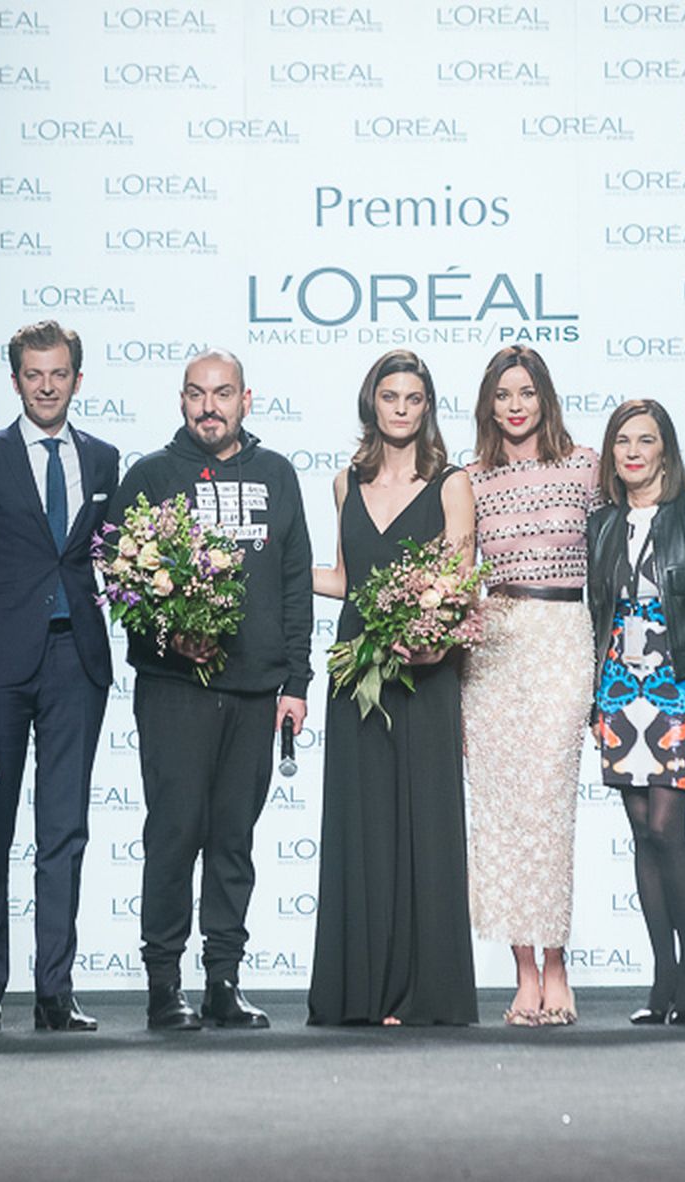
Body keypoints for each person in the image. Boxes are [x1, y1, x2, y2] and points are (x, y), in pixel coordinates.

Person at [0, 320, 120, 1034]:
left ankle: (55, 994)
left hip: (77, 664)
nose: (45, 385)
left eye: (58, 373)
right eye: (33, 374)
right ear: (15, 380)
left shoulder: (102, 460)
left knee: (64, 831)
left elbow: (114, 558)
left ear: (76, 378)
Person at [108, 349, 313, 1031]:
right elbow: (121, 587)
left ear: (246, 400)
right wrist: (167, 637)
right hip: (176, 689)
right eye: (196, 394)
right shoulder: (149, 476)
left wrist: (296, 682)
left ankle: (223, 981)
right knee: (174, 834)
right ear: (181, 401)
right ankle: (164, 987)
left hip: (257, 691)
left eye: (222, 393)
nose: (209, 406)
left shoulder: (277, 474)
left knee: (233, 840)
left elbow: (293, 584)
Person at [307, 349, 479, 1026]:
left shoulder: (452, 483)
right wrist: (272, 570)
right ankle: (362, 991)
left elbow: (459, 582)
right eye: (390, 397)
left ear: (427, 407)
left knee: (425, 827)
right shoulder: (345, 482)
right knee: (363, 825)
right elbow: (348, 578)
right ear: (371, 404)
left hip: (425, 670)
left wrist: (429, 636)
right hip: (358, 671)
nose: (401, 409)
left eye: (413, 398)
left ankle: (421, 993)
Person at [586, 398, 685, 1026]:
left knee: (666, 825)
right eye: (622, 441)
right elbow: (594, 615)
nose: (632, 451)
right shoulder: (601, 524)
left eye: (645, 440)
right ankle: (662, 976)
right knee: (639, 831)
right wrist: (591, 696)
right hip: (619, 687)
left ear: (665, 449)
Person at [461, 346, 598, 1027]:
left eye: (526, 392)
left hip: (565, 636)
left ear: (545, 397)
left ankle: (558, 964)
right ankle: (521, 972)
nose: (515, 405)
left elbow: (616, 559)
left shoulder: (585, 465)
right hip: (494, 645)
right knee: (502, 814)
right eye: (502, 394)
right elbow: (458, 576)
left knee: (549, 807)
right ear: (488, 404)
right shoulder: (472, 478)